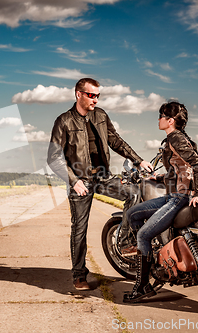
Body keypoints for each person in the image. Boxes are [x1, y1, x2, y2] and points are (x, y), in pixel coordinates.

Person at [47, 78, 153, 290]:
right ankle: (79, 275)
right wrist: (73, 181)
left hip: (103, 176)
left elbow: (116, 141)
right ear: (79, 95)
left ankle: (123, 240)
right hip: (80, 181)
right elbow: (53, 157)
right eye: (91, 95)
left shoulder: (101, 116)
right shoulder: (64, 121)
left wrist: (138, 160)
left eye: (98, 95)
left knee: (133, 193)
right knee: (79, 229)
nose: (95, 99)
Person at [122, 101, 198, 303]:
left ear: (170, 121)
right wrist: (158, 179)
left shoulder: (176, 138)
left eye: (161, 115)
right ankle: (151, 256)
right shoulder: (174, 139)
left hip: (179, 198)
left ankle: (143, 287)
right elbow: (179, 169)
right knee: (132, 214)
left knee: (143, 234)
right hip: (171, 195)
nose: (158, 119)